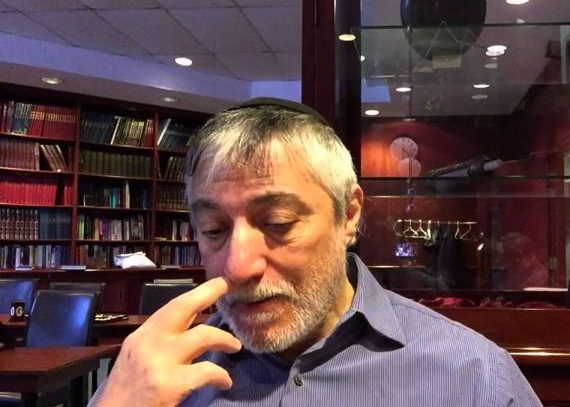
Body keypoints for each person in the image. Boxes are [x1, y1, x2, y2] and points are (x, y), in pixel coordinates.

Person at [90, 98, 542, 407]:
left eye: (278, 223)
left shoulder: (473, 379)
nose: (237, 266)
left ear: (349, 215)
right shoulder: (152, 381)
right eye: (214, 230)